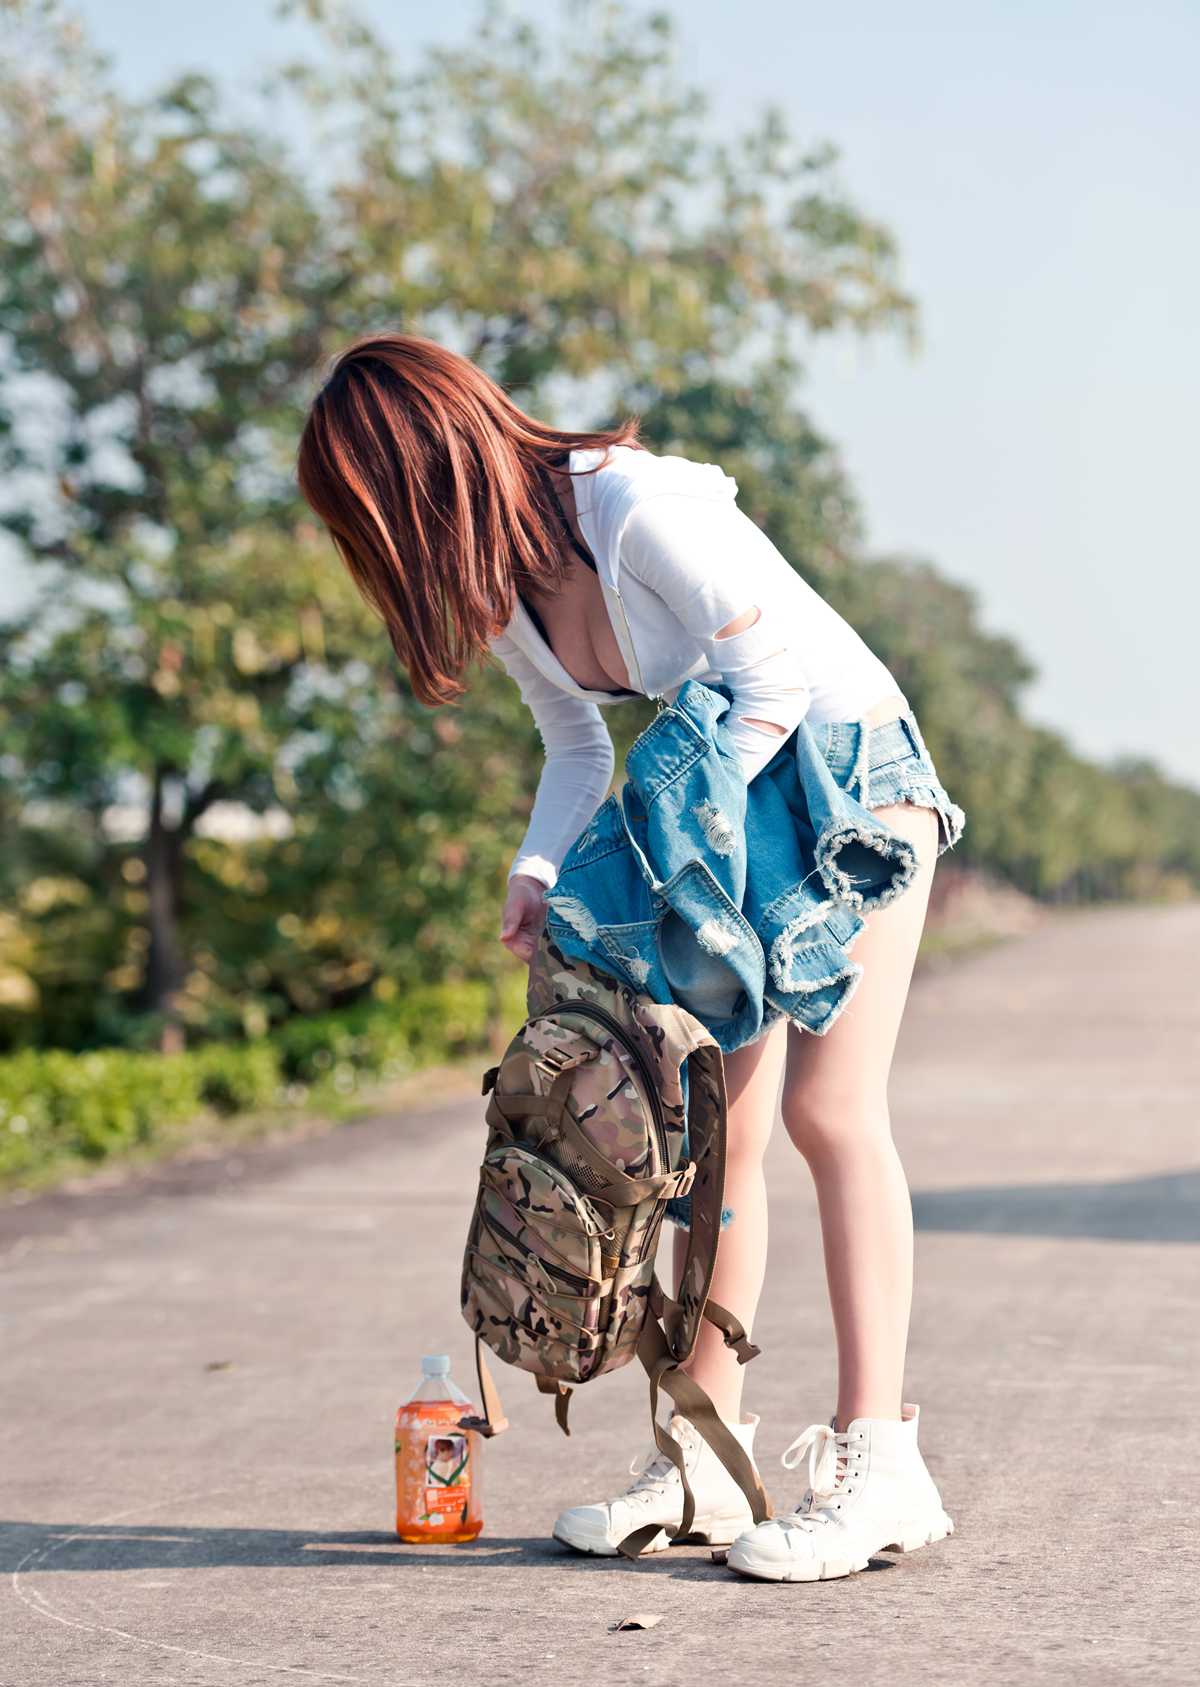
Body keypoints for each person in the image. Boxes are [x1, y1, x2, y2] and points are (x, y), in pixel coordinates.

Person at [297, 331, 964, 1584]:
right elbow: (574, 743)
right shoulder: (504, 582)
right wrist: (542, 869)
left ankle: (883, 1463)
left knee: (832, 1112)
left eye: (377, 515)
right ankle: (709, 1453)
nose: (381, 550)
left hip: (848, 780)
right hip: (738, 804)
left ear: (424, 478)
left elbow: (765, 682)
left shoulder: (634, 507)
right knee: (723, 1136)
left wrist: (679, 853)